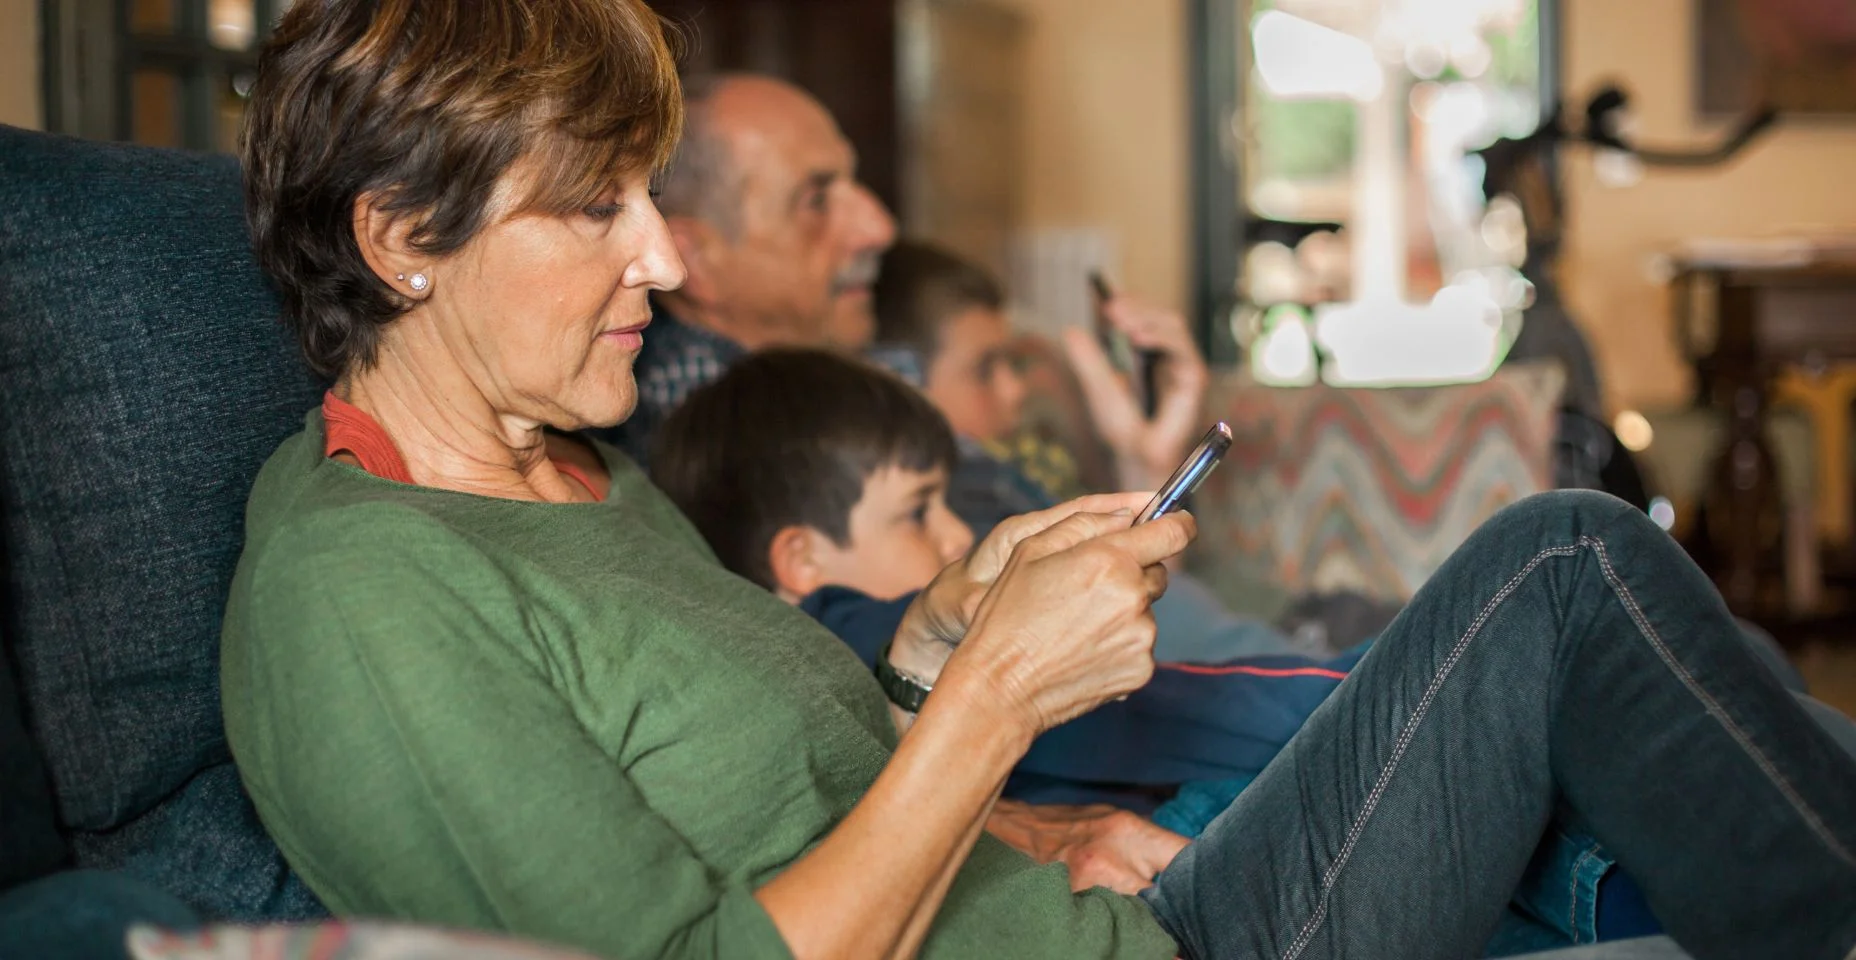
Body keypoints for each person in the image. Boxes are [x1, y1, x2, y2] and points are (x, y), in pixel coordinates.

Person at [219, 3, 1856, 960]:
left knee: (1624, 672)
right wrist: (993, 697)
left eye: (649, 194)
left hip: (1119, 914)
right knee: (1559, 570)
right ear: (402, 238)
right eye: (593, 208)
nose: (660, 252)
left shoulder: (576, 477)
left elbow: (779, 778)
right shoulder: (363, 598)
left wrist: (976, 695)